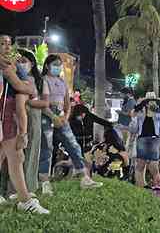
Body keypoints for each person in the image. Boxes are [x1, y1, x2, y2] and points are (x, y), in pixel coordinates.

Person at [38, 54, 103, 195]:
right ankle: (44, 182)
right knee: (46, 148)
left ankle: (84, 177)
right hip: (47, 115)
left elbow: (67, 103)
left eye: (59, 64)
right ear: (47, 65)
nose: (58, 67)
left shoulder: (62, 82)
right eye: (55, 64)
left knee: (73, 145)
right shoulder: (44, 80)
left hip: (61, 116)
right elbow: (44, 103)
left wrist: (65, 117)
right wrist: (53, 116)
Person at [0, 35, 49, 214]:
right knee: (15, 158)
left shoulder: (11, 66)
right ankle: (25, 200)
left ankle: (24, 199)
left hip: (7, 115)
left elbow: (27, 90)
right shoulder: (7, 67)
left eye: (8, 43)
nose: (6, 47)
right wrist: (23, 133)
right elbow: (23, 88)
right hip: (6, 115)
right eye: (2, 44)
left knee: (14, 157)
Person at [130, 92, 160, 193]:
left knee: (153, 167)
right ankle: (141, 189)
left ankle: (157, 191)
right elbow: (133, 128)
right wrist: (138, 111)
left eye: (152, 101)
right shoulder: (140, 113)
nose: (150, 103)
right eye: (148, 101)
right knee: (140, 166)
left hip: (154, 140)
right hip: (142, 139)